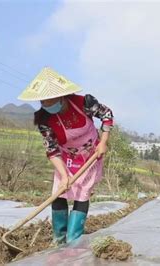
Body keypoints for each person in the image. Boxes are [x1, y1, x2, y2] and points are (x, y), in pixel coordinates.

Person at [18, 67, 113, 245]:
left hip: (90, 155)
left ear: (61, 96)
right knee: (60, 192)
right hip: (66, 157)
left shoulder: (84, 102)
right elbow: (52, 150)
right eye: (42, 102)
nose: (46, 105)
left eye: (49, 100)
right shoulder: (44, 120)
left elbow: (107, 115)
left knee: (82, 194)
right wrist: (64, 174)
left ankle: (73, 240)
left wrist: (103, 142)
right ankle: (59, 239)